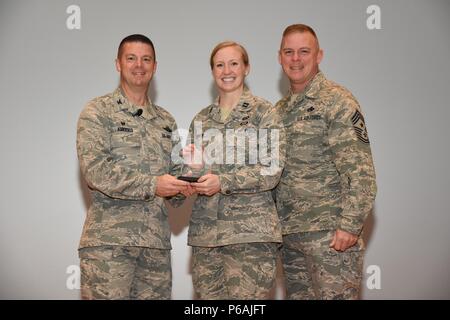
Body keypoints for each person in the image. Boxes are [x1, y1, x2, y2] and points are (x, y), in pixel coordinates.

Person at [76, 34, 190, 299]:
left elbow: (174, 191)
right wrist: (154, 184)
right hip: (110, 247)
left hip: (155, 250)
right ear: (118, 64)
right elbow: (96, 172)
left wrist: (188, 181)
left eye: (146, 59)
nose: (139, 65)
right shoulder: (97, 111)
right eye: (131, 58)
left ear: (155, 66)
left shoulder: (165, 121)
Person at [275, 24, 377, 299]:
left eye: (304, 51)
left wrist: (350, 225)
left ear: (319, 55)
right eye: (289, 52)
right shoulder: (278, 111)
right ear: (280, 57)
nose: (296, 59)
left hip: (331, 237)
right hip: (290, 237)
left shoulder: (338, 101)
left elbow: (360, 170)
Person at [182, 41, 285, 299]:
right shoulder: (201, 119)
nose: (226, 70)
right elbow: (191, 172)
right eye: (219, 65)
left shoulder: (265, 113)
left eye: (234, 63)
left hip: (250, 237)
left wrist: (223, 181)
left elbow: (272, 170)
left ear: (246, 68)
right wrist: (191, 173)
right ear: (212, 71)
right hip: (206, 239)